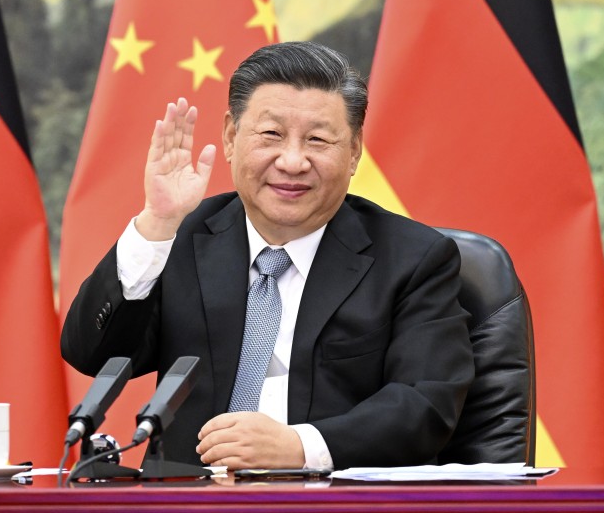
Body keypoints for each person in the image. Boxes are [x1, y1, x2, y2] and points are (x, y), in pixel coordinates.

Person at [61, 41, 473, 470]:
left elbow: (426, 404)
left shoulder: (414, 259)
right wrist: (157, 223)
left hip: (332, 506)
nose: (293, 161)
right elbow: (91, 355)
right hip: (189, 501)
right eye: (271, 135)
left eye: (318, 140)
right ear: (231, 137)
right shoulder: (181, 237)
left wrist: (300, 447)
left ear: (353, 151)